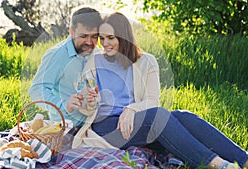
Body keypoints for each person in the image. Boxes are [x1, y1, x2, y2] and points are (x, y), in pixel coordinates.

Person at [72, 12, 248, 169]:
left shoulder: (146, 62)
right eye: (102, 38)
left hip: (135, 122)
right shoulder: (94, 62)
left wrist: (131, 109)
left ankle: (244, 160)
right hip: (106, 128)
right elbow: (87, 106)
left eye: (110, 38)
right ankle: (217, 165)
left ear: (123, 37)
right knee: (159, 118)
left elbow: (152, 101)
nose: (105, 44)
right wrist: (90, 101)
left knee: (183, 117)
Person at [28, 6, 102, 127]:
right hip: (67, 126)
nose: (89, 42)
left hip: (94, 120)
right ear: (72, 32)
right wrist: (64, 104)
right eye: (83, 36)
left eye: (94, 36)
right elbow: (37, 89)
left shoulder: (97, 53)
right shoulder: (56, 55)